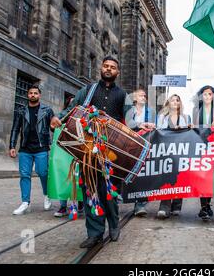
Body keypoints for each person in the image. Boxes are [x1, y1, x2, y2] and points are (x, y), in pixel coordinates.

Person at [50, 56, 127, 248]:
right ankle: (95, 233)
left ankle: (114, 224)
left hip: (111, 152)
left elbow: (131, 120)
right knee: (91, 190)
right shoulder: (87, 90)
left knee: (107, 191)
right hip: (86, 148)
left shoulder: (123, 95)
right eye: (106, 66)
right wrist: (57, 118)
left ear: (117, 72)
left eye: (113, 67)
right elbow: (70, 109)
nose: (108, 69)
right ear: (101, 68)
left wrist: (142, 123)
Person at [9, 85, 55, 215]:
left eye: (35, 93)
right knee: (24, 175)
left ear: (39, 95)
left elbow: (53, 127)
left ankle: (47, 196)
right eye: (31, 93)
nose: (33, 95)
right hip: (25, 148)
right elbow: (15, 129)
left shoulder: (47, 110)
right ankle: (25, 202)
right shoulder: (21, 110)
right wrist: (12, 146)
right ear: (27, 95)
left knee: (43, 172)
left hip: (41, 147)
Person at [156, 94, 191, 219]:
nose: (175, 102)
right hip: (166, 151)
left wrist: (187, 128)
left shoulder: (186, 117)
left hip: (180, 151)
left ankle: (176, 205)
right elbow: (158, 132)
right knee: (166, 178)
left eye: (178, 100)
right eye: (173, 100)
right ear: (168, 103)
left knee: (179, 177)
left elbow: (189, 134)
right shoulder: (162, 117)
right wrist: (172, 129)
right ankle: (164, 206)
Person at [192, 85, 214, 220]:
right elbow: (193, 128)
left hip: (213, 146)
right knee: (202, 176)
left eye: (209, 94)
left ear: (213, 96)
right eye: (204, 94)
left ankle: (207, 204)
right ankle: (203, 207)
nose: (207, 97)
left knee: (211, 176)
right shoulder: (196, 111)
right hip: (200, 146)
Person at [126, 88, 156, 217]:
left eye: (145, 96)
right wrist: (141, 124)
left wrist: (152, 125)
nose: (144, 97)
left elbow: (156, 126)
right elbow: (127, 123)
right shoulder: (129, 110)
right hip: (130, 144)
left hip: (146, 144)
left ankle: (140, 204)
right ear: (134, 98)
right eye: (141, 95)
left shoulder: (151, 111)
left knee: (143, 173)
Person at [54, 96, 84, 218]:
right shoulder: (62, 118)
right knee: (64, 177)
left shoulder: (83, 120)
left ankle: (81, 203)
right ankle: (63, 206)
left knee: (79, 177)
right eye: (72, 104)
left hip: (79, 151)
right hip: (65, 152)